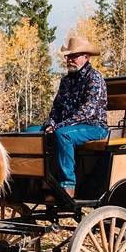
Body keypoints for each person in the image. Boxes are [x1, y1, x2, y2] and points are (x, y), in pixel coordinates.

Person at [26, 35, 108, 198]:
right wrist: (50, 122)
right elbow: (56, 108)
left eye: (74, 56)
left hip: (94, 127)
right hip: (66, 127)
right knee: (30, 132)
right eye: (68, 56)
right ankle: (37, 181)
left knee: (63, 135)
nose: (70, 60)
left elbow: (88, 111)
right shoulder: (66, 81)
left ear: (86, 57)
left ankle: (67, 185)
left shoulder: (94, 78)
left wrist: (59, 126)